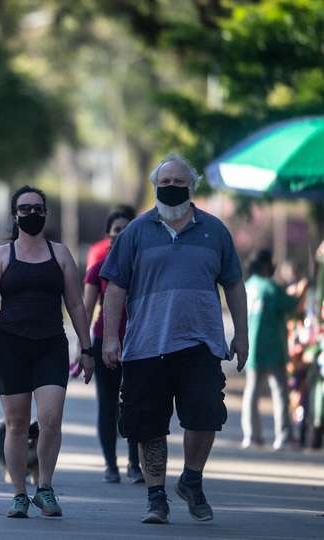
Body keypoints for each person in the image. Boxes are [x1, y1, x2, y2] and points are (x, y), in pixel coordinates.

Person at [101, 153, 248, 524]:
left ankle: (191, 480)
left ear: (191, 187)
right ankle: (156, 498)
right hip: (146, 344)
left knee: (205, 416)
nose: (170, 189)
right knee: (148, 424)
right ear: (154, 187)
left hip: (201, 343)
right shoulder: (135, 231)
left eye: (178, 183)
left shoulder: (215, 230)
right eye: (164, 184)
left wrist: (242, 336)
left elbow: (233, 284)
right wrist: (109, 339)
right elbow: (115, 286)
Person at [0, 185, 94, 519]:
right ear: (15, 215)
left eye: (38, 208)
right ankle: (19, 494)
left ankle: (45, 487)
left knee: (51, 419)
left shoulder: (59, 254)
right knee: (16, 425)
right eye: (25, 209)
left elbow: (75, 305)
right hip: (10, 346)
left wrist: (87, 348)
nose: (32, 214)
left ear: (46, 212)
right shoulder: (1, 256)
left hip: (51, 344)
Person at [81, 208, 143, 484]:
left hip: (140, 344)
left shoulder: (143, 266)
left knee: (135, 404)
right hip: (103, 341)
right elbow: (85, 308)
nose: (121, 233)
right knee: (107, 406)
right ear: (108, 234)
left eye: (126, 228)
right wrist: (83, 349)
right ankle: (111, 465)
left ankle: (134, 462)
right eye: (117, 228)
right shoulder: (98, 268)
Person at [242, 249, 307, 450]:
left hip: (253, 349)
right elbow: (293, 305)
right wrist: (303, 289)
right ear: (265, 265)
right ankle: (283, 436)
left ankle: (251, 436)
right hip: (274, 349)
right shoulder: (270, 287)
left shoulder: (248, 287)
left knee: (251, 393)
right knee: (280, 394)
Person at [86, 204, 136, 269]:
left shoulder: (141, 255)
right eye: (117, 230)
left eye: (126, 228)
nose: (122, 234)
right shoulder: (97, 252)